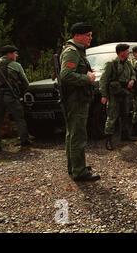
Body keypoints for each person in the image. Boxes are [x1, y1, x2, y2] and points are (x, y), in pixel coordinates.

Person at [59, 23, 100, 182]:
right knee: (78, 135)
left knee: (72, 134)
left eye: (91, 35)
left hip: (76, 98)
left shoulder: (76, 51)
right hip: (75, 100)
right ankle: (79, 171)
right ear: (77, 35)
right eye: (88, 35)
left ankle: (75, 166)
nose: (90, 38)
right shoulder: (72, 51)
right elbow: (66, 75)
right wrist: (87, 78)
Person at [0, 45, 30, 153]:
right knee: (19, 118)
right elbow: (26, 83)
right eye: (15, 53)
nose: (16, 55)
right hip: (10, 97)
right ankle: (24, 141)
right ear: (9, 54)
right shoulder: (16, 66)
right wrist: (21, 92)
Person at [100, 44, 137, 151]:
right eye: (127, 51)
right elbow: (104, 80)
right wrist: (104, 95)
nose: (128, 53)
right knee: (111, 117)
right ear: (121, 52)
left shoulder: (128, 63)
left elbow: (133, 74)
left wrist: (132, 80)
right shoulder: (111, 63)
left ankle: (125, 135)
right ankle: (108, 140)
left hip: (125, 93)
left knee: (125, 115)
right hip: (114, 95)